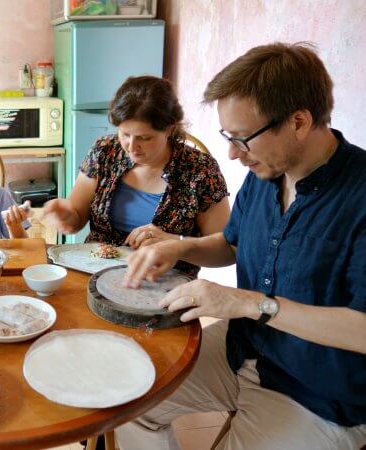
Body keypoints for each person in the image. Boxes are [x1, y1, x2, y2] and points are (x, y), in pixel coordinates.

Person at [120, 43, 366, 449]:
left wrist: (250, 304)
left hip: (320, 393)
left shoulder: (358, 197)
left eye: (241, 138)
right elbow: (232, 245)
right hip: (244, 350)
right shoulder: (266, 171)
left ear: (299, 121)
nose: (232, 154)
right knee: (130, 404)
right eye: (226, 137)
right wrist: (181, 247)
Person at [42, 76, 230, 277]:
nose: (131, 147)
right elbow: (76, 219)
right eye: (124, 134)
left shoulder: (200, 170)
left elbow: (225, 252)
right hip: (96, 273)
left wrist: (176, 243)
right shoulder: (105, 152)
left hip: (165, 285)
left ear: (169, 129)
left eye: (144, 138)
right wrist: (66, 215)